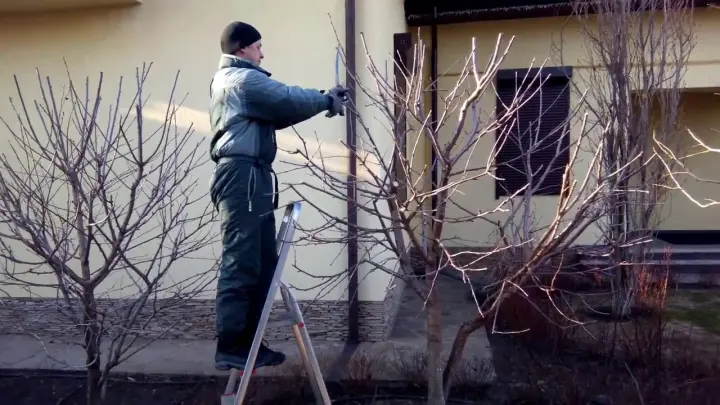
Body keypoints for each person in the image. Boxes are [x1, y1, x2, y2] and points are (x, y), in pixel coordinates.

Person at [208, 21, 348, 371]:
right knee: (242, 260)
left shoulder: (242, 84)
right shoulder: (240, 79)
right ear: (242, 49)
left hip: (252, 177)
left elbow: (281, 110)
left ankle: (250, 344)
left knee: (260, 262)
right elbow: (284, 97)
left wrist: (320, 99)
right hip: (242, 178)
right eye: (258, 46)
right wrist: (325, 100)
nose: (262, 53)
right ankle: (232, 346)